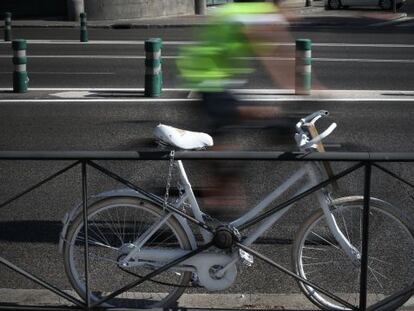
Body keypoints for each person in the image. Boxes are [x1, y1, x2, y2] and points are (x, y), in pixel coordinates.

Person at [176, 0, 297, 219]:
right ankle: (212, 207)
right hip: (207, 80)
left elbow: (278, 53)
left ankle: (214, 201)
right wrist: (307, 91)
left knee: (225, 150)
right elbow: (274, 60)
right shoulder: (257, 16)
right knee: (237, 132)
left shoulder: (253, 13)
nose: (290, 13)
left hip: (214, 78)